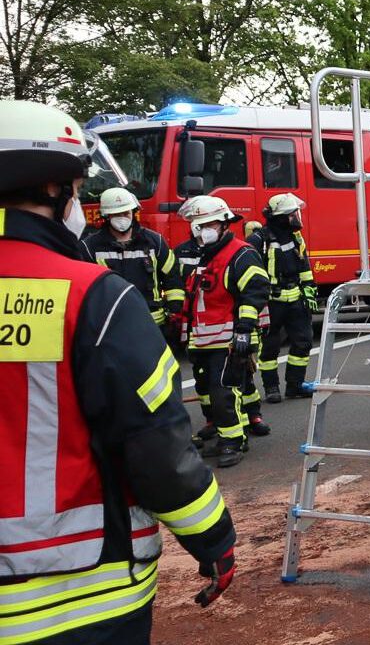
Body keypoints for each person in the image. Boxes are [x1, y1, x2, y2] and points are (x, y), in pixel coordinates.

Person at [0, 101, 236, 644]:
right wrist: (213, 541)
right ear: (54, 189)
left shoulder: (142, 256)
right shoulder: (92, 297)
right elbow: (157, 451)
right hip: (75, 595)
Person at [180, 195, 271, 466]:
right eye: (199, 225)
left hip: (229, 339)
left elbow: (255, 292)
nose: (204, 230)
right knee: (211, 393)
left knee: (224, 393)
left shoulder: (241, 254)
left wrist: (243, 330)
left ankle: (233, 442)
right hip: (205, 340)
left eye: (209, 224)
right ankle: (225, 437)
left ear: (224, 224)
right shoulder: (204, 256)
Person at [81, 186, 185, 345]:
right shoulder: (90, 247)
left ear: (133, 213)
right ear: (106, 216)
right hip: (110, 326)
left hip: (152, 325)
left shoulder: (154, 242)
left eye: (126, 213)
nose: (122, 218)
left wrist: (175, 310)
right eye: (116, 214)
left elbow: (172, 276)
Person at [248, 193, 316, 403]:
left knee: (303, 342)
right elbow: (251, 272)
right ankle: (271, 388)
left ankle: (295, 385)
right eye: (293, 213)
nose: (297, 217)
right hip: (271, 301)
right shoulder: (258, 239)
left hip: (295, 298)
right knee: (270, 346)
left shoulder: (296, 237)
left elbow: (304, 266)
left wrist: (309, 290)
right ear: (281, 216)